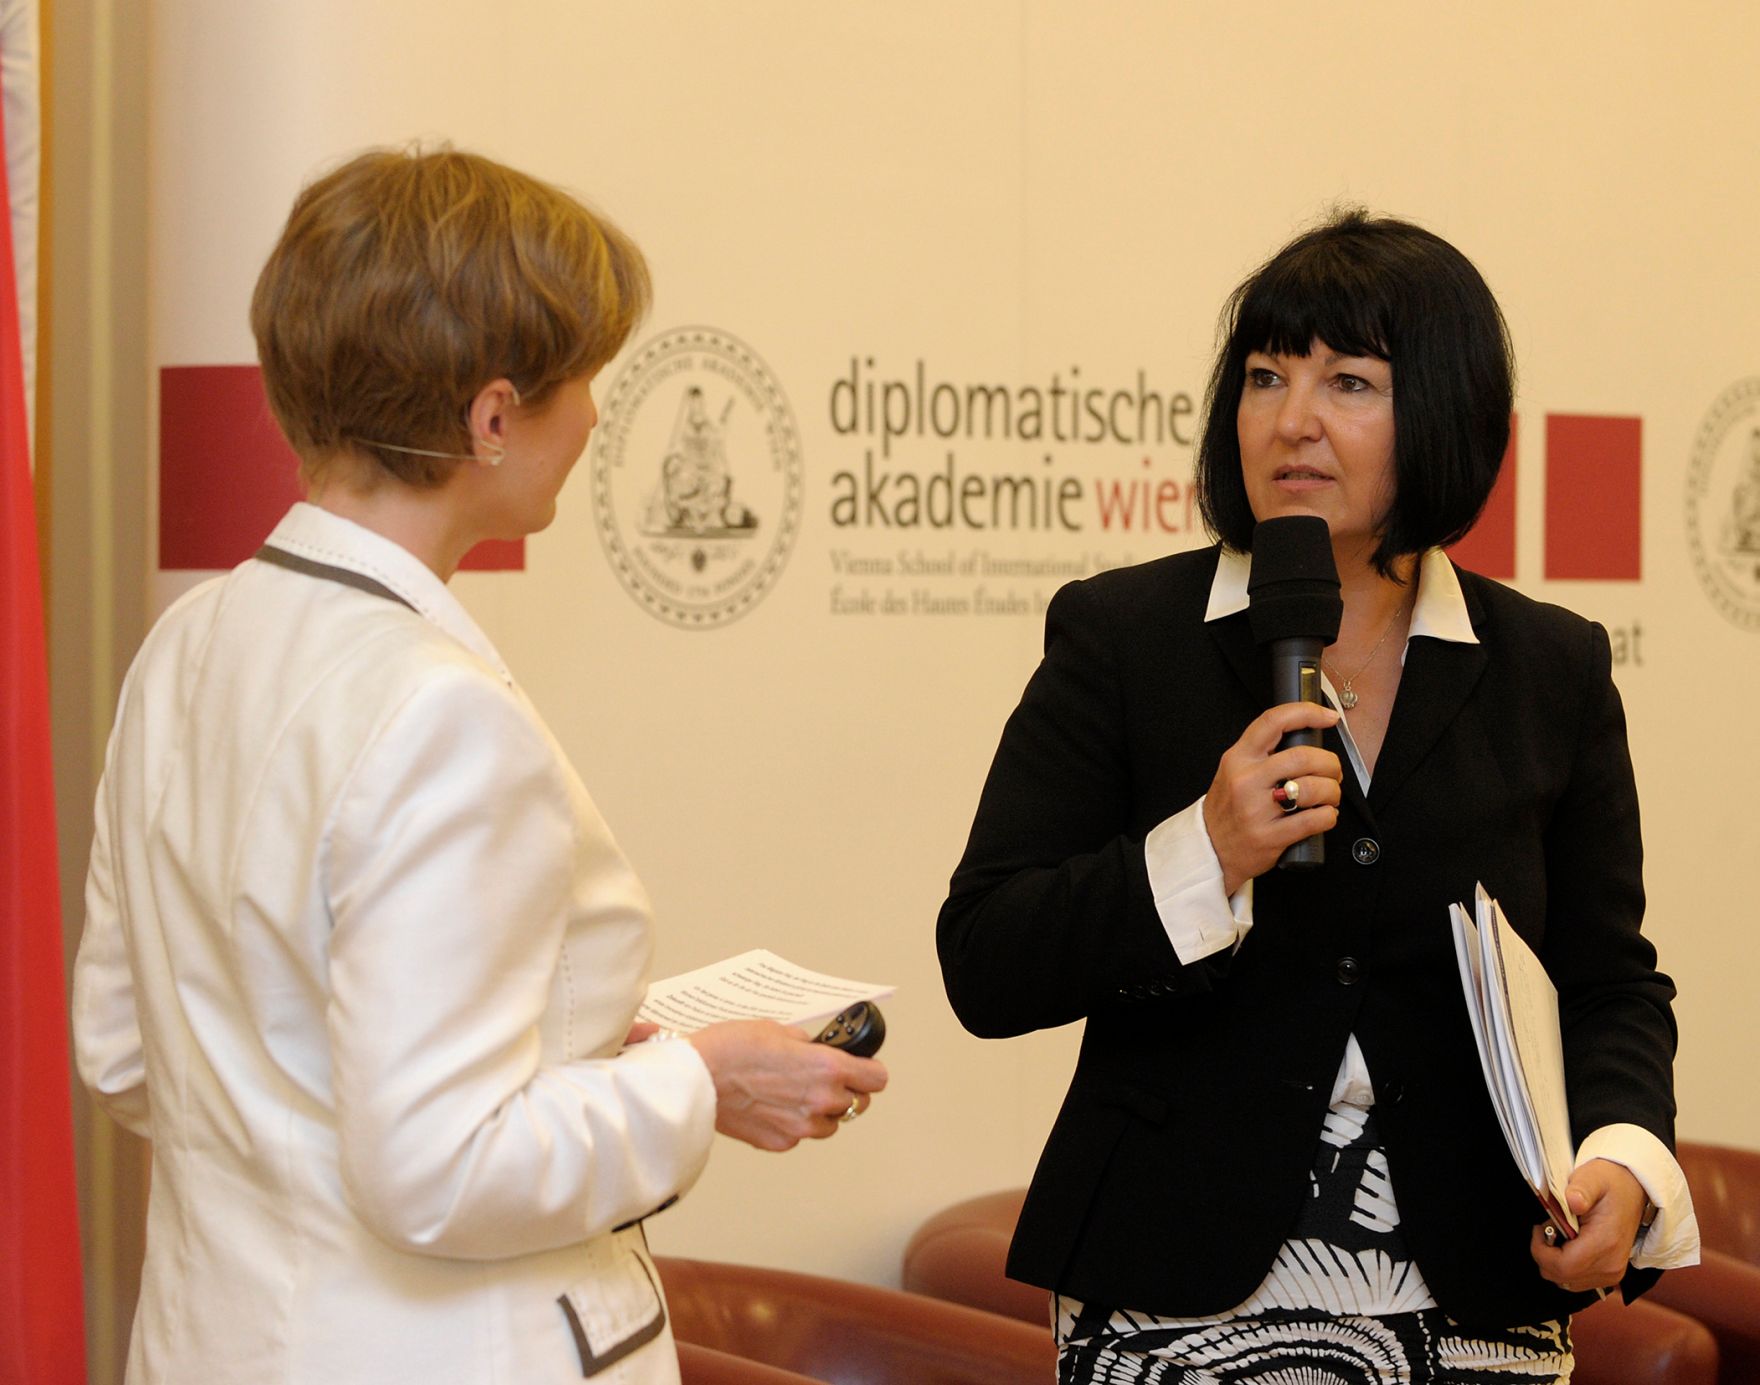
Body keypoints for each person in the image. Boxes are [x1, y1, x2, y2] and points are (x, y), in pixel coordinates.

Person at [71, 146, 886, 1385]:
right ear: (492, 417)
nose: (602, 416)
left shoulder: (186, 645)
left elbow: (128, 1047)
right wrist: (697, 1079)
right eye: (585, 381)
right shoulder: (439, 714)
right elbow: (441, 1166)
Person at [937, 209, 1698, 1383]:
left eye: (1347, 379)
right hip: (1174, 1287)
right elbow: (985, 954)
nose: (1290, 419)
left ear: (1440, 412)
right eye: (1261, 376)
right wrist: (1202, 849)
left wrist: (1622, 1155)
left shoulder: (1549, 662)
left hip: (1475, 1281)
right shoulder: (1125, 637)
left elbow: (1606, 982)